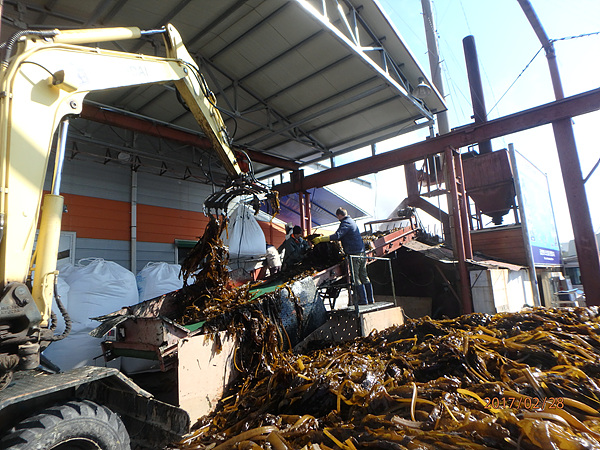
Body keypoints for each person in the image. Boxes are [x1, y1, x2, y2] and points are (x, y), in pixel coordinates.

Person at [312, 208, 374, 305]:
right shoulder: (351, 221)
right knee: (364, 276)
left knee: (356, 277)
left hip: (354, 254)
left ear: (339, 215)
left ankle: (363, 300)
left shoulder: (345, 223)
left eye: (337, 217)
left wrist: (321, 239)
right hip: (361, 252)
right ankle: (370, 299)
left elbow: (337, 235)